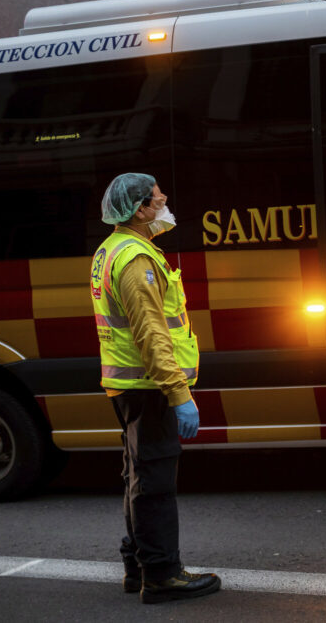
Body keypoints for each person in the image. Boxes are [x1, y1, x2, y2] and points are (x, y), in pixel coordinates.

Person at [90, 173, 220, 604]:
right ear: (141, 209)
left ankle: (138, 565)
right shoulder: (135, 260)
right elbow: (152, 334)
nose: (165, 203)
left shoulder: (116, 248)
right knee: (154, 481)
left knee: (138, 475)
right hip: (149, 387)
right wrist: (179, 394)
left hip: (130, 385)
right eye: (159, 199)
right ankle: (162, 575)